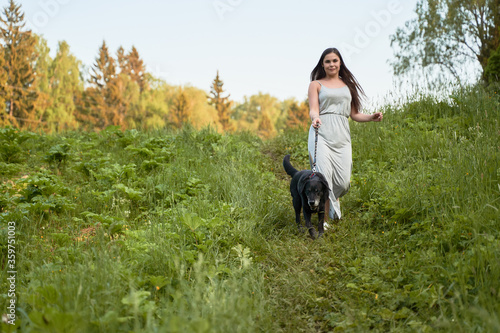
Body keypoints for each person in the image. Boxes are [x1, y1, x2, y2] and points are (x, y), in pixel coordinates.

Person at [308, 47, 383, 222]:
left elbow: (355, 114)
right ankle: (324, 220)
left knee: (342, 182)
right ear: (323, 64)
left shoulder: (348, 86)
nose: (331, 64)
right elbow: (313, 109)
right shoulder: (316, 85)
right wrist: (316, 118)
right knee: (324, 178)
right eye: (327, 61)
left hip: (342, 137)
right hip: (322, 134)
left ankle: (332, 207)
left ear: (340, 62)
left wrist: (371, 117)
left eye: (335, 60)